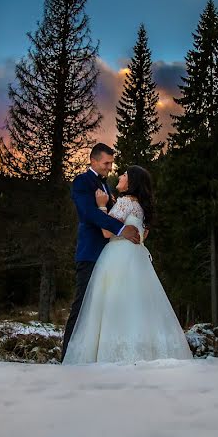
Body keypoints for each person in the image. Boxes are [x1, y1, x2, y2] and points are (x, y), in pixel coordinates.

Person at [62, 165, 193, 364]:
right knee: (135, 306)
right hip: (137, 259)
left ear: (131, 182)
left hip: (117, 257)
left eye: (124, 175)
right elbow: (142, 235)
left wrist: (101, 206)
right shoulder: (141, 206)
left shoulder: (125, 202)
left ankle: (108, 354)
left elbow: (107, 232)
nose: (120, 177)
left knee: (112, 305)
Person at [60, 144, 141, 361]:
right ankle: (67, 357)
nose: (110, 167)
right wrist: (122, 229)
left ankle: (96, 357)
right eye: (106, 163)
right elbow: (88, 214)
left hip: (110, 258)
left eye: (111, 163)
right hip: (91, 253)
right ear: (93, 161)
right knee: (82, 306)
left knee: (102, 310)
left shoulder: (108, 187)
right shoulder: (82, 182)